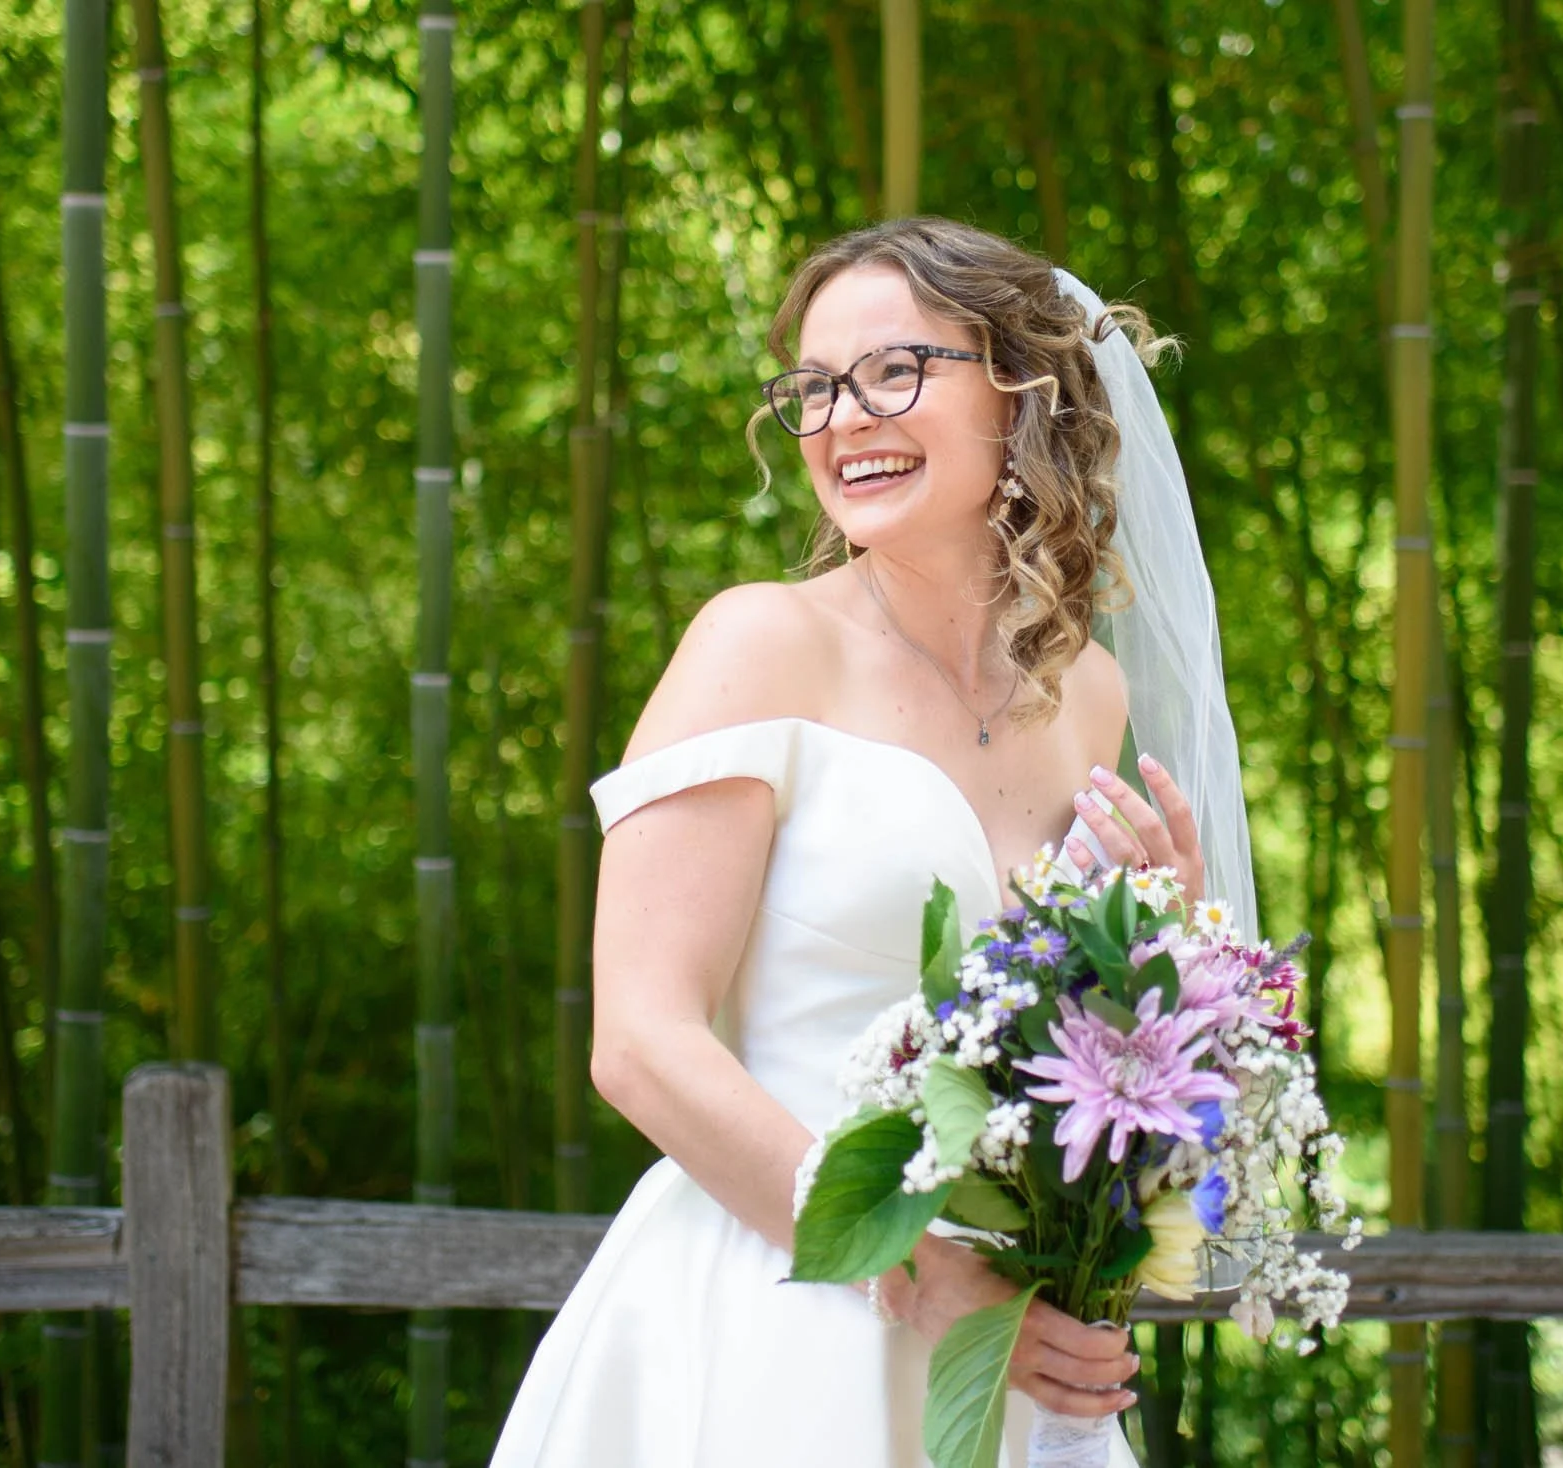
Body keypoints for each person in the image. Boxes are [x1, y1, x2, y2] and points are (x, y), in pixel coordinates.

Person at [491, 216, 1251, 1467]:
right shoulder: (758, 645)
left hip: (1007, 1335)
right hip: (775, 1305)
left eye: (895, 371)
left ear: (1026, 391)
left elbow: (1067, 1066)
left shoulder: (1090, 692)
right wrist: (910, 1270)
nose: (843, 419)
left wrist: (1157, 947)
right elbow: (638, 1043)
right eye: (813, 388)